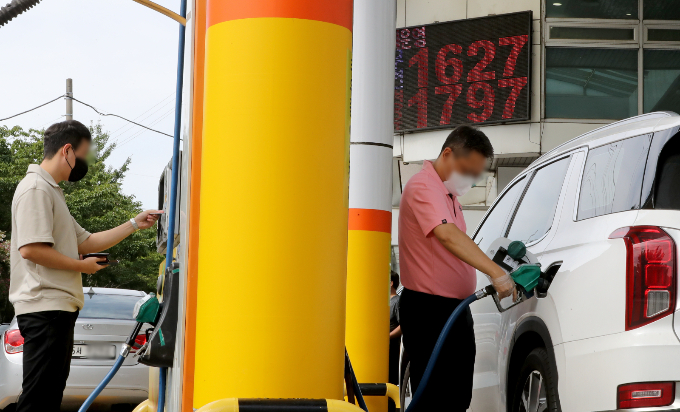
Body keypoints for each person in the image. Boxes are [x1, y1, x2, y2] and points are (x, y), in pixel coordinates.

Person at [9, 120, 162, 412]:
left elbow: (87, 241)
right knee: (39, 398)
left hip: (57, 308)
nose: (83, 163)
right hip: (44, 307)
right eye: (83, 154)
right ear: (67, 151)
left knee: (49, 395)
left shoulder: (52, 191)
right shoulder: (35, 189)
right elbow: (31, 249)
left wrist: (133, 223)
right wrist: (82, 268)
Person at [398, 125, 515, 411]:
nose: (472, 180)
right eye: (468, 170)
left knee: (458, 396)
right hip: (429, 310)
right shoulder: (423, 186)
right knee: (436, 397)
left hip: (454, 310)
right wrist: (496, 272)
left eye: (477, 174)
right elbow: (447, 235)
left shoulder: (450, 198)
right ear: (447, 154)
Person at [388, 271, 402, 386]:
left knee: (390, 380)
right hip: (382, 350)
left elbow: (403, 326)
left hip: (391, 349)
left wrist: (388, 337)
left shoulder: (397, 302)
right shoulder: (384, 302)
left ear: (391, 283)